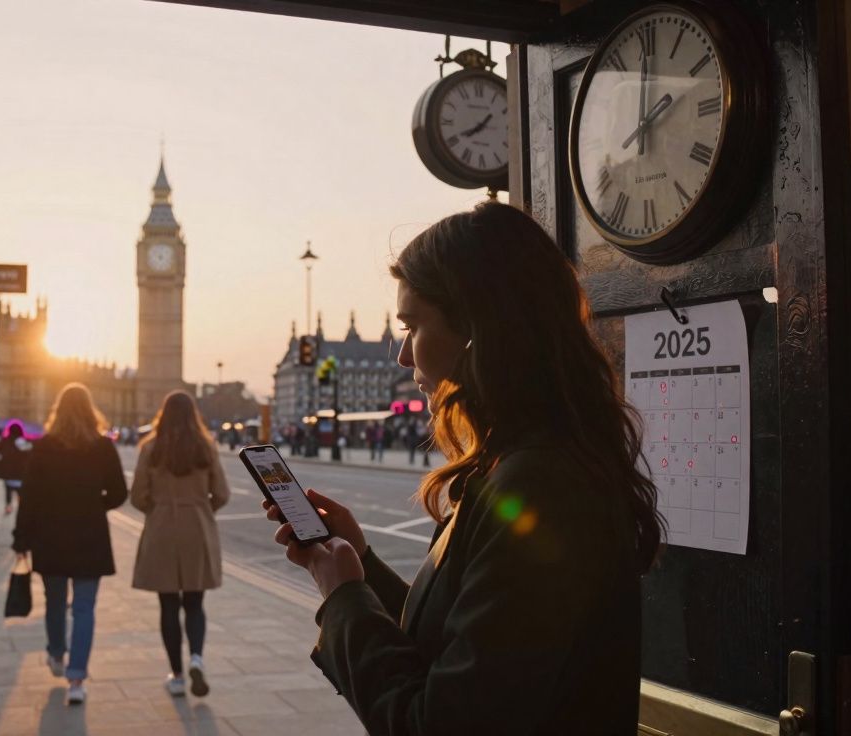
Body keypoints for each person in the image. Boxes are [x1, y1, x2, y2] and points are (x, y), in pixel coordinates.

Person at [263, 202, 662, 735]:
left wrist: (344, 599)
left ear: (479, 329)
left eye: (413, 327)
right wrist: (361, 563)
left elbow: (439, 722)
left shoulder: (543, 487)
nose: (403, 357)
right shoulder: (528, 463)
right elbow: (462, 647)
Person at [12, 383, 128, 705]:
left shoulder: (44, 447)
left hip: (51, 537)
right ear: (91, 411)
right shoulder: (103, 447)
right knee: (84, 608)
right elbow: (119, 493)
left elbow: (29, 498)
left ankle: (56, 653)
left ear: (57, 412)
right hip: (89, 536)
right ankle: (76, 678)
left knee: (54, 602)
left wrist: (20, 539)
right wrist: (93, 505)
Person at [130, 391, 231, 698]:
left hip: (162, 527)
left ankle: (176, 676)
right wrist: (201, 509)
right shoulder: (206, 447)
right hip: (196, 526)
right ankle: (197, 658)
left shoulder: (151, 449)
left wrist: (158, 510)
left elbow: (136, 496)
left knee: (168, 605)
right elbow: (223, 493)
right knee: (195, 603)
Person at [0, 421, 29, 515]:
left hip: (8, 472)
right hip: (20, 472)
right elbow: (27, 454)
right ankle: (22, 507)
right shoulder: (21, 441)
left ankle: (8, 505)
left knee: (8, 490)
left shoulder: (5, 441)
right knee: (20, 491)